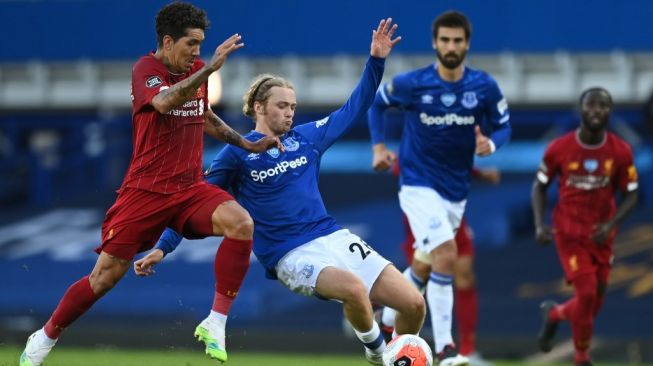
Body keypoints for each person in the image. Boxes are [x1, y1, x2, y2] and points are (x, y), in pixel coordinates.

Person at [134, 18, 426, 365]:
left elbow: (355, 107)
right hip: (289, 253)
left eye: (292, 106)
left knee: (413, 303)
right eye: (282, 106)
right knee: (354, 290)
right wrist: (162, 248)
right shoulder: (237, 152)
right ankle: (379, 356)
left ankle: (399, 349)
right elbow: (193, 202)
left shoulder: (306, 138)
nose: (290, 113)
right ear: (259, 107)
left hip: (330, 234)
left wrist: (376, 61)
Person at [19, 3, 282, 366]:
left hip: (190, 188)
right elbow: (164, 102)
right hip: (146, 192)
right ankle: (46, 336)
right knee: (105, 277)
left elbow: (202, 115)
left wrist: (248, 143)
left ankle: (216, 322)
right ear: (168, 41)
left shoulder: (194, 71)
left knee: (241, 223)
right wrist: (209, 69)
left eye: (201, 44)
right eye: (191, 43)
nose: (197, 51)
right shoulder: (147, 69)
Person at [368, 10, 511, 366]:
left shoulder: (484, 87)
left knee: (425, 264)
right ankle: (448, 349)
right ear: (435, 43)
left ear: (467, 44)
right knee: (448, 255)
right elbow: (377, 104)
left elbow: (503, 126)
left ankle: (386, 324)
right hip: (417, 184)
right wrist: (378, 147)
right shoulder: (413, 83)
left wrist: (491, 146)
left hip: (455, 191)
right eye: (444, 40)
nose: (450, 46)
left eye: (457, 41)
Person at [532, 87, 639, 366]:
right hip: (569, 232)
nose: (596, 111)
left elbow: (632, 193)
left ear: (609, 112)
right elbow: (539, 187)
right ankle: (582, 359)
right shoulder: (559, 148)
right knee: (587, 293)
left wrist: (611, 224)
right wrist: (539, 224)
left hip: (602, 236)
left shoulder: (620, 151)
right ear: (580, 110)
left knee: (593, 305)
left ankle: (555, 314)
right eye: (590, 106)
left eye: (602, 106)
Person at [380, 164, 499, 366]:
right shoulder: (420, 136)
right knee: (423, 271)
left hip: (452, 212)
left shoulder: (459, 135)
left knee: (465, 276)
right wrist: (379, 147)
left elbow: (458, 155)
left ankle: (461, 350)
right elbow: (404, 165)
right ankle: (389, 321)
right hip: (424, 212)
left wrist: (480, 170)